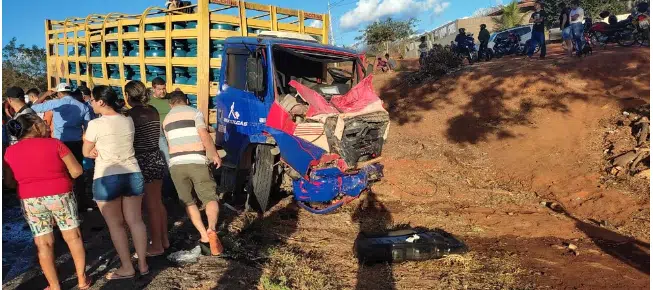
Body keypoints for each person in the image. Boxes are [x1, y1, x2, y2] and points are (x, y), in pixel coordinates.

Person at [3, 114, 92, 290]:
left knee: (43, 243)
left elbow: (9, 182)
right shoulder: (55, 144)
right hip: (60, 194)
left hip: (30, 200)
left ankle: (54, 285)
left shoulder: (10, 151)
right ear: (35, 127)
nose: (46, 126)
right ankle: (82, 280)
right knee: (72, 237)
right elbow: (77, 171)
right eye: (43, 124)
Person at [83, 85, 149, 279]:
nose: (91, 103)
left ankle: (127, 267)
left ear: (101, 102)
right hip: (132, 172)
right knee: (135, 221)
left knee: (116, 225)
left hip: (106, 176)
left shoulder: (95, 124)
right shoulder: (127, 121)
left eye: (93, 100)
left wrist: (93, 150)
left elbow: (86, 152)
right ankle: (143, 264)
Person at [162, 90, 223, 256]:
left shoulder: (166, 120)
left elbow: (168, 144)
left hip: (176, 164)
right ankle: (211, 228)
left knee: (189, 202)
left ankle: (203, 235)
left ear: (171, 103)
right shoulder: (195, 112)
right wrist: (214, 154)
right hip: (197, 161)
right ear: (186, 100)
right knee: (210, 197)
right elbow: (204, 135)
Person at [125, 80, 170, 256]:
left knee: (150, 205)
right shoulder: (153, 110)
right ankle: (164, 239)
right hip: (156, 156)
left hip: (142, 159)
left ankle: (156, 245)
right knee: (157, 202)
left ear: (128, 96)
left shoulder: (130, 115)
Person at [31, 83, 92, 210]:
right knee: (78, 172)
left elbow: (34, 108)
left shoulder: (56, 103)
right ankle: (81, 201)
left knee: (61, 171)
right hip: (76, 143)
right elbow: (88, 128)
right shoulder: (82, 106)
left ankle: (64, 202)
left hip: (59, 143)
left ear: (59, 93)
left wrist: (46, 95)